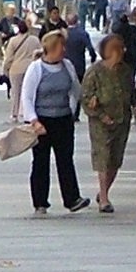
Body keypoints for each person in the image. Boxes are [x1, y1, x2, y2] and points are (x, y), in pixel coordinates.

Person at [19, 30, 90, 214]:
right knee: (41, 161)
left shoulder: (67, 66)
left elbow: (75, 89)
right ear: (50, 49)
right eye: (60, 47)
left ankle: (72, 198)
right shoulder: (36, 69)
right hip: (42, 122)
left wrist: (73, 111)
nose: (63, 50)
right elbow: (27, 97)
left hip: (63, 119)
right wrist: (34, 121)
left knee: (66, 160)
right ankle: (40, 202)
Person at [80, 33, 133, 214]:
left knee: (115, 159)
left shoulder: (125, 71)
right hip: (100, 123)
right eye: (120, 49)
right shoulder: (94, 72)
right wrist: (100, 114)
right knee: (103, 157)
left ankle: (104, 191)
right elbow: (85, 98)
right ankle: (103, 198)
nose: (123, 52)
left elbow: (131, 92)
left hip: (122, 119)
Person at [1, 22, 43, 114]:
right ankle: (29, 113)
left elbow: (9, 58)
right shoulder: (34, 40)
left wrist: (5, 69)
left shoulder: (13, 41)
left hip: (16, 69)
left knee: (16, 93)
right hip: (31, 69)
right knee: (30, 92)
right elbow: (41, 52)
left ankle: (15, 114)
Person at [109, 6, 136, 99]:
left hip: (120, 55)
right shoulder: (132, 29)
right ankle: (130, 90)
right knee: (131, 74)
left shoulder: (117, 31)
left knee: (120, 74)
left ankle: (122, 89)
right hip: (132, 54)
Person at [63, 12, 94, 79]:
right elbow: (90, 48)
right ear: (77, 21)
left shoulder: (62, 34)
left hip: (65, 65)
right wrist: (93, 57)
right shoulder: (82, 33)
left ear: (67, 22)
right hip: (79, 64)